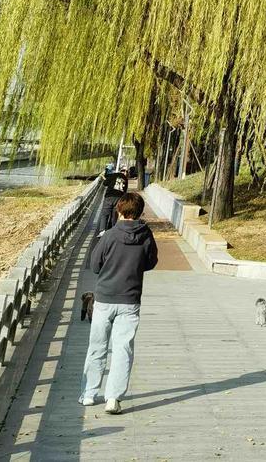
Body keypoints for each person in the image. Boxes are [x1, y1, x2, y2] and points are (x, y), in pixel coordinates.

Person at [80, 192, 158, 415]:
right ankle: (113, 398)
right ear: (139, 212)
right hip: (130, 299)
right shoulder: (146, 235)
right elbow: (151, 262)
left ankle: (88, 393)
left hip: (105, 298)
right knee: (123, 348)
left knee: (97, 347)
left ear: (119, 210)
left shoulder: (110, 235)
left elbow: (95, 266)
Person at [97, 165, 129, 234]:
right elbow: (125, 191)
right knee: (114, 215)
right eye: (125, 171)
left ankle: (102, 231)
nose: (125, 173)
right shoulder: (125, 179)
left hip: (109, 196)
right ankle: (112, 230)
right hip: (119, 198)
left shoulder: (113, 175)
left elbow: (105, 183)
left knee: (105, 213)